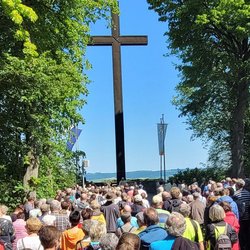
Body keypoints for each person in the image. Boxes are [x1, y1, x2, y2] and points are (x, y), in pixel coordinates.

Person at [234, 178, 250, 250]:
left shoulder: (236, 194)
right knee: (247, 232)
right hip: (248, 216)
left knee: (241, 233)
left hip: (240, 217)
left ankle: (242, 246)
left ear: (237, 185)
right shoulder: (248, 193)